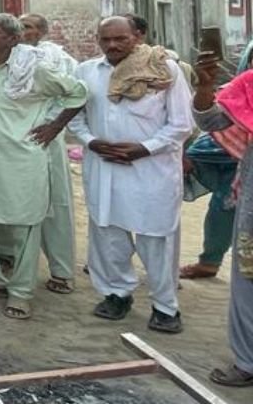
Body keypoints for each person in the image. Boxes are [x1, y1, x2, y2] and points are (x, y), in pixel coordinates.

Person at [67, 16, 192, 333]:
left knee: (155, 239)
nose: (112, 45)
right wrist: (92, 142)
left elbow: (181, 124)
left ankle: (165, 306)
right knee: (107, 235)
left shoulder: (165, 70)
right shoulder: (86, 72)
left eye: (120, 39)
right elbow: (74, 117)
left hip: (151, 171)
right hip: (104, 167)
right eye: (105, 39)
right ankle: (117, 293)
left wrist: (144, 148)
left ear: (138, 36)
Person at [0, 14, 87, 320]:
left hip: (22, 160)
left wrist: (54, 127)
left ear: (13, 39)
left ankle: (20, 292)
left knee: (24, 227)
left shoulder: (34, 70)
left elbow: (79, 93)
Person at [192, 50, 253, 386]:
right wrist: (205, 88)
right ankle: (248, 362)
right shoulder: (249, 85)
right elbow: (210, 120)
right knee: (248, 282)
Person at [16, 13, 80, 294]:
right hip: (14, 140)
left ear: (42, 31)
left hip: (45, 138)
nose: (22, 31)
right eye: (18, 27)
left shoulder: (57, 60)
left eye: (27, 27)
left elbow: (74, 96)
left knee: (55, 203)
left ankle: (61, 270)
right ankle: (12, 263)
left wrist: (52, 125)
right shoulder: (11, 58)